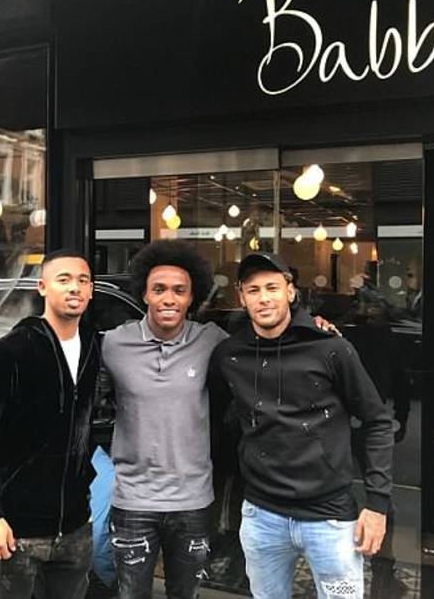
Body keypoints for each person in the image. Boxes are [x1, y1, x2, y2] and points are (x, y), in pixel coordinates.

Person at [208, 252, 394, 599]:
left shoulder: (331, 348)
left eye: (272, 287)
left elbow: (377, 421)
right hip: (262, 517)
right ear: (241, 297)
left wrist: (377, 504)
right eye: (253, 290)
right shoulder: (229, 355)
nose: (264, 298)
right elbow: (214, 419)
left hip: (330, 519)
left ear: (290, 291)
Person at [0, 249, 99, 599]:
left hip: (76, 526)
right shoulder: (12, 350)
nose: (75, 288)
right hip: (17, 529)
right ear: (42, 287)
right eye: (64, 279)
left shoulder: (93, 347)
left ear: (91, 290)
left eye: (83, 280)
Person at [98, 240, 228, 598]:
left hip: (193, 499)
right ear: (144, 294)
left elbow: (264, 350)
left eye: (179, 291)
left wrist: (311, 325)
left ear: (192, 297)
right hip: (133, 500)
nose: (169, 299)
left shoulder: (212, 340)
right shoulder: (113, 344)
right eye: (159, 289)